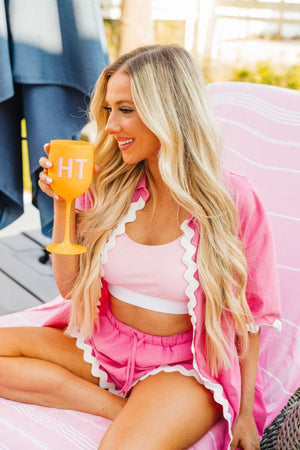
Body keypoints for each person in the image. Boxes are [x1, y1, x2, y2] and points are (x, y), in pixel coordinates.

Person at [0, 45, 281, 450]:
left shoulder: (231, 199)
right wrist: (63, 202)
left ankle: (144, 408)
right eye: (109, 110)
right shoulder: (110, 186)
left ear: (168, 111)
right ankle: (115, 405)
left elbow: (250, 316)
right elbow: (69, 289)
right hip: (102, 345)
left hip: (183, 366)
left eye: (126, 110)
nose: (110, 126)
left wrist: (244, 415)